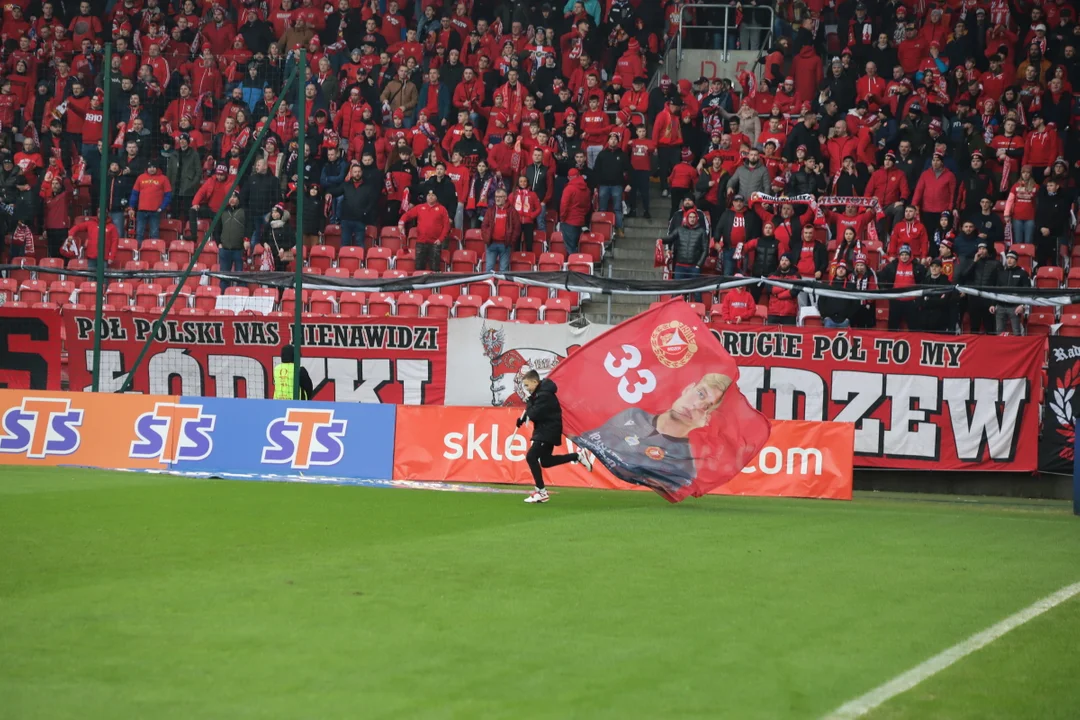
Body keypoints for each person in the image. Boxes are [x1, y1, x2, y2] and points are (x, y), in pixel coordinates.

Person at [572, 373, 734, 496]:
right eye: (700, 394)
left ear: (706, 420)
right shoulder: (632, 415)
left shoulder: (683, 467)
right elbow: (587, 439)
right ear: (687, 389)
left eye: (706, 407)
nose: (695, 405)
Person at [517, 370, 579, 504]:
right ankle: (577, 456)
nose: (527, 389)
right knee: (546, 461)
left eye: (527, 385)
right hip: (545, 430)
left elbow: (533, 413)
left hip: (548, 431)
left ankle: (541, 491)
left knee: (531, 457)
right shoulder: (539, 395)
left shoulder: (544, 395)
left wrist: (527, 410)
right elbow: (532, 409)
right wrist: (522, 418)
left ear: (535, 382)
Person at [399, 189, 451, 271]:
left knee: (434, 268)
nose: (430, 197)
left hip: (435, 243)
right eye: (429, 195)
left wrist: (440, 239)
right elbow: (408, 215)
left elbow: (446, 226)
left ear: (436, 197)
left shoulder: (442, 209)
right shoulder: (420, 207)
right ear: (426, 197)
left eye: (433, 195)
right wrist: (401, 222)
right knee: (419, 267)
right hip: (421, 242)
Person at [129, 161, 172, 245]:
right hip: (141, 210)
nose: (151, 169)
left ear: (157, 168)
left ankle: (154, 252)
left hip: (155, 211)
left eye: (153, 167)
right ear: (146, 168)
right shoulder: (140, 177)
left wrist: (162, 207)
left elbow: (168, 195)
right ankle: (138, 252)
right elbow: (134, 194)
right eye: (149, 167)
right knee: (139, 233)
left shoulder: (164, 178)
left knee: (154, 233)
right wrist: (131, 207)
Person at [481, 188, 521, 272]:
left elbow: (517, 228)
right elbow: (484, 226)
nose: (497, 199)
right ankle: (490, 285)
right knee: (489, 269)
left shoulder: (512, 211)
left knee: (503, 270)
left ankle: (501, 285)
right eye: (496, 197)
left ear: (505, 197)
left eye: (500, 196)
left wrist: (510, 241)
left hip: (505, 245)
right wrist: (486, 238)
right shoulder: (490, 210)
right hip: (491, 244)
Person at [992, 250, 1030, 335]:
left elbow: (1027, 291)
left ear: (1016, 260)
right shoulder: (1001, 273)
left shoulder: (1023, 274)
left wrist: (1022, 305)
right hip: (1000, 306)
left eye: (1011, 258)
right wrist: (993, 304)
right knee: (999, 332)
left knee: (1017, 332)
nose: (1009, 260)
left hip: (1015, 307)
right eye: (1008, 258)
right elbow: (996, 290)